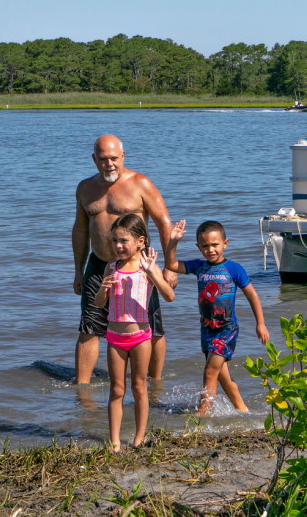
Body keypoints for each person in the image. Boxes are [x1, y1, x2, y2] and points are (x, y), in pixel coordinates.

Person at [72, 135, 177, 384]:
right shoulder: (85, 188)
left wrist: (170, 266)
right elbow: (80, 230)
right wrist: (78, 271)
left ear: (123, 156)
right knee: (89, 325)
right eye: (103, 159)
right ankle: (82, 392)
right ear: (94, 159)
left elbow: (164, 222)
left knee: (151, 327)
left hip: (139, 267)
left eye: (114, 159)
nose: (109, 164)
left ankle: (154, 385)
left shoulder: (140, 183)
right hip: (99, 265)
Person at [165, 219, 269, 416]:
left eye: (215, 245)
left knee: (210, 371)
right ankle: (244, 411)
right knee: (222, 376)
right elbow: (171, 264)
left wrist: (260, 323)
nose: (210, 250)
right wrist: (173, 242)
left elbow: (252, 295)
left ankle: (203, 412)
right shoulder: (199, 267)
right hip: (207, 330)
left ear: (225, 243)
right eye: (205, 246)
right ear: (198, 247)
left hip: (226, 330)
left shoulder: (233, 269)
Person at [94, 214, 174, 451]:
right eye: (114, 241)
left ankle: (139, 437)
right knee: (117, 389)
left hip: (141, 338)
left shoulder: (147, 266)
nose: (118, 246)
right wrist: (102, 288)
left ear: (140, 241)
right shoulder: (112, 267)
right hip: (114, 338)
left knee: (139, 387)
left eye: (123, 241)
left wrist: (152, 274)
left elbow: (169, 296)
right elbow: (99, 304)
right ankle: (115, 441)